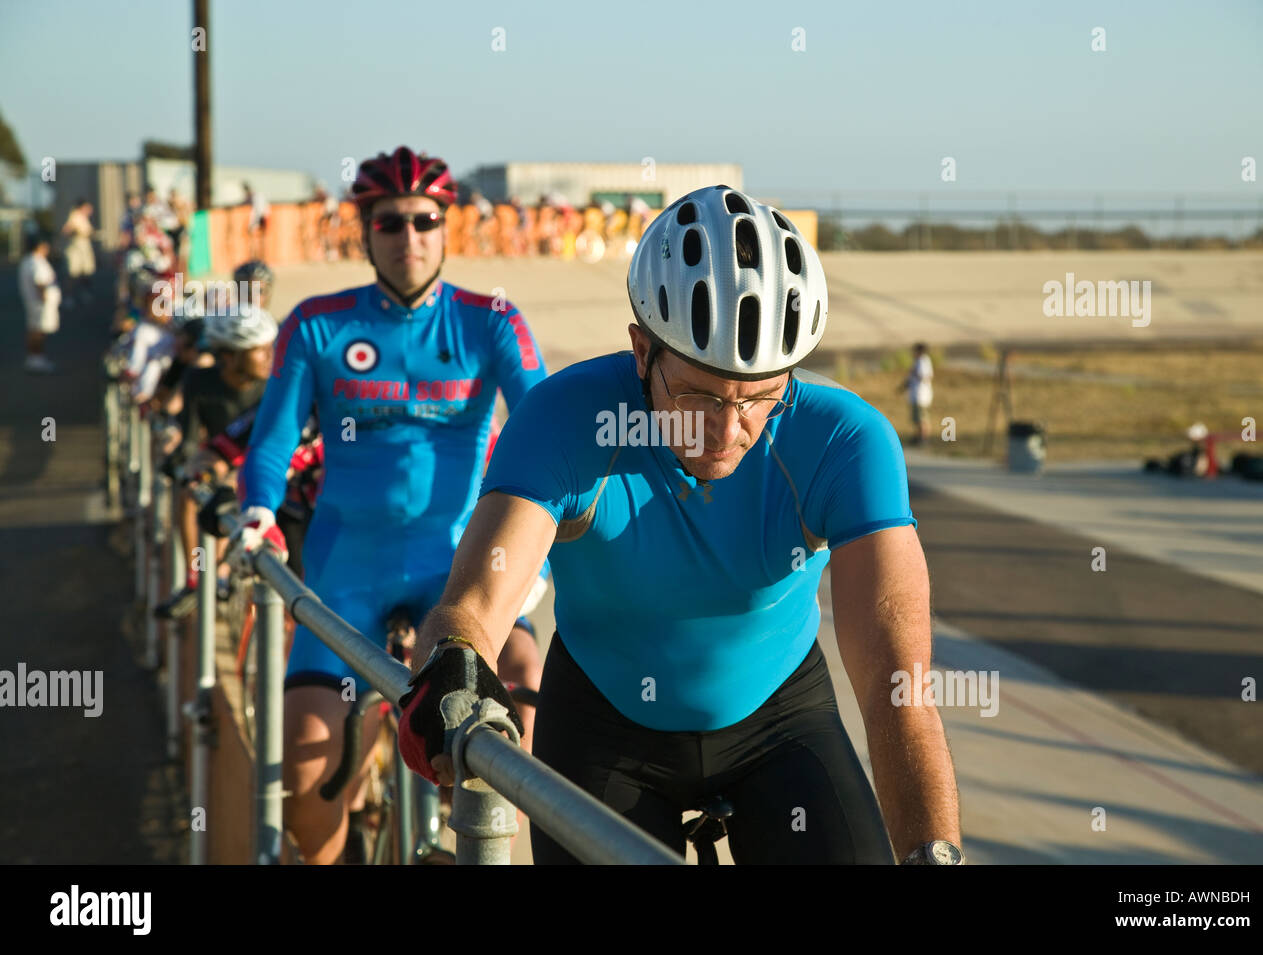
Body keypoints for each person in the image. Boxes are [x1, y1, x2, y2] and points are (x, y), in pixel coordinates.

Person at [397, 185, 963, 865]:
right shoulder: (564, 419)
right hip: (606, 726)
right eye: (698, 394)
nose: (728, 429)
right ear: (641, 350)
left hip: (779, 720)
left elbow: (897, 685)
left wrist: (935, 852)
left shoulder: (846, 440)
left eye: (760, 398)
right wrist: (455, 660)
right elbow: (475, 606)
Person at [228, 147, 549, 865]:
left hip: (462, 570)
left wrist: (539, 552)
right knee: (306, 784)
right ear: (364, 232)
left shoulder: (491, 320)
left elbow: (544, 433)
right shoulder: (316, 324)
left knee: (526, 692)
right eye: (390, 222)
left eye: (425, 221)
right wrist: (258, 510)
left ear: (447, 227)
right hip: (348, 577)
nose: (409, 238)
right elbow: (273, 445)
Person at [155, 306, 279, 619]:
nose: (270, 356)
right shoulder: (200, 380)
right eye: (259, 350)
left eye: (270, 348)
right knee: (190, 491)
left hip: (265, 469)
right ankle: (196, 579)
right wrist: (181, 459)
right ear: (229, 355)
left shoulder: (276, 386)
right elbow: (189, 436)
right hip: (219, 461)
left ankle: (222, 571)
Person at [17, 233, 61, 374]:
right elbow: (40, 283)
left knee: (34, 329)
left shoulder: (28, 261)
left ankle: (34, 358)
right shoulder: (36, 262)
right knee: (38, 331)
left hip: (35, 303)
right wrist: (44, 300)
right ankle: (36, 358)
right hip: (40, 304)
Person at [61, 199, 97, 305]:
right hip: (76, 250)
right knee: (73, 274)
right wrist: (76, 232)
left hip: (84, 249)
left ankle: (85, 294)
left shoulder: (83, 218)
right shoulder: (75, 216)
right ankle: (68, 296)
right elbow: (66, 231)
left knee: (86, 273)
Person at [898, 342, 934, 446]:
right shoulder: (918, 361)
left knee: (922, 418)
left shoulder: (923, 361)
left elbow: (925, 376)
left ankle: (924, 438)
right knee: (917, 418)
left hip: (921, 395)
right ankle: (918, 436)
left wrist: (914, 373)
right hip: (916, 395)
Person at [244, 182, 270, 259]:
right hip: (262, 217)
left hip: (261, 218)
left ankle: (258, 256)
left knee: (257, 238)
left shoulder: (256, 197)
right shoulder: (257, 196)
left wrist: (252, 224)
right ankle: (259, 256)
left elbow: (257, 212)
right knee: (260, 238)